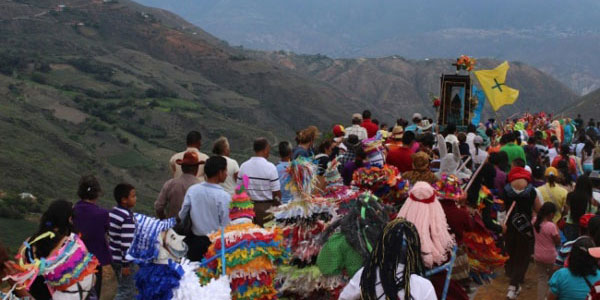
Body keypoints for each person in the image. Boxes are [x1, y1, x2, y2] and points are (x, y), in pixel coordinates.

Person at [338, 219, 436, 300]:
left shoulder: (366, 274)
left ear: (382, 247)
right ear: (414, 252)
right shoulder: (423, 286)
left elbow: (344, 298)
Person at [179, 156, 231, 261]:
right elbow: (226, 224)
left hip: (194, 242)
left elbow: (182, 214)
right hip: (215, 244)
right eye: (225, 170)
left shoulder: (193, 190)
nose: (227, 173)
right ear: (219, 173)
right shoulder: (224, 196)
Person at [503, 166, 541, 299]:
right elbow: (538, 208)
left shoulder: (506, 190)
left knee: (512, 253)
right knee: (523, 256)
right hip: (525, 227)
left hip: (510, 227)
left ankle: (513, 280)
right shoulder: (531, 191)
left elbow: (503, 207)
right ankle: (513, 285)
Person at [72, 175, 110, 298]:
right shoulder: (103, 214)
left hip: (73, 260)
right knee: (93, 293)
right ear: (97, 193)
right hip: (94, 261)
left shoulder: (71, 211)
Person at [237, 138, 281, 226]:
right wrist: (277, 208)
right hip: (267, 209)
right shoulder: (270, 167)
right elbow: (276, 193)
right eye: (268, 149)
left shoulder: (244, 166)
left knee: (251, 237)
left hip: (249, 209)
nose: (269, 151)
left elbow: (240, 191)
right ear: (265, 150)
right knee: (269, 236)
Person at [109, 183, 137, 300]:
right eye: (133, 196)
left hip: (113, 256)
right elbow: (126, 243)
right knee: (126, 290)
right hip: (124, 261)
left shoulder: (113, 212)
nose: (136, 198)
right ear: (124, 200)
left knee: (123, 287)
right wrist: (126, 264)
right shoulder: (127, 218)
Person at [155, 151, 202, 219]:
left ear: (182, 168)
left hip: (173, 226)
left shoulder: (170, 184)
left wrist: (164, 219)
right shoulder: (200, 187)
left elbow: (158, 207)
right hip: (193, 227)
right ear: (197, 168)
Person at [533, 202, 560, 300]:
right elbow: (557, 241)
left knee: (541, 279)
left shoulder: (535, 221)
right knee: (552, 280)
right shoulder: (551, 226)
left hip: (538, 254)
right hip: (551, 256)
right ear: (551, 214)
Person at [564, 175, 595, 241]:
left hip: (570, 224)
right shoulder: (591, 200)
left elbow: (566, 210)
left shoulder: (570, 196)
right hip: (584, 227)